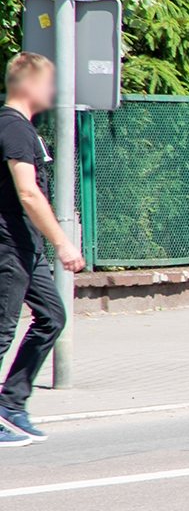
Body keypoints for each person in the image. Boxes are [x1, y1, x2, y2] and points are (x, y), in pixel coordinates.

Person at [0, 52, 85, 446]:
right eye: (48, 83)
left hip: (26, 246)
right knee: (2, 330)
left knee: (51, 316)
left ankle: (11, 403)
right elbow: (28, 194)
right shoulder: (12, 127)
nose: (53, 92)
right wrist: (63, 244)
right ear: (29, 83)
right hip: (10, 245)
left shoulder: (24, 129)